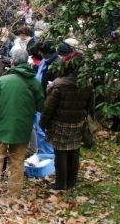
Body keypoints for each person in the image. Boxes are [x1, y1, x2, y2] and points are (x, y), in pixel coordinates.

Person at [0, 48, 44, 199]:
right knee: (17, 163)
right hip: (23, 129)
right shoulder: (35, 83)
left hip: (1, 128)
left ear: (12, 62)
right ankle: (14, 195)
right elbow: (41, 106)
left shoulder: (2, 81)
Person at [40, 53, 94, 191]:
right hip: (77, 122)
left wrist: (43, 123)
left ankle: (61, 183)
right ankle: (71, 182)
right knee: (74, 152)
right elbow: (90, 107)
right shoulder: (86, 84)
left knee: (61, 153)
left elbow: (49, 108)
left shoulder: (58, 84)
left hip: (60, 123)